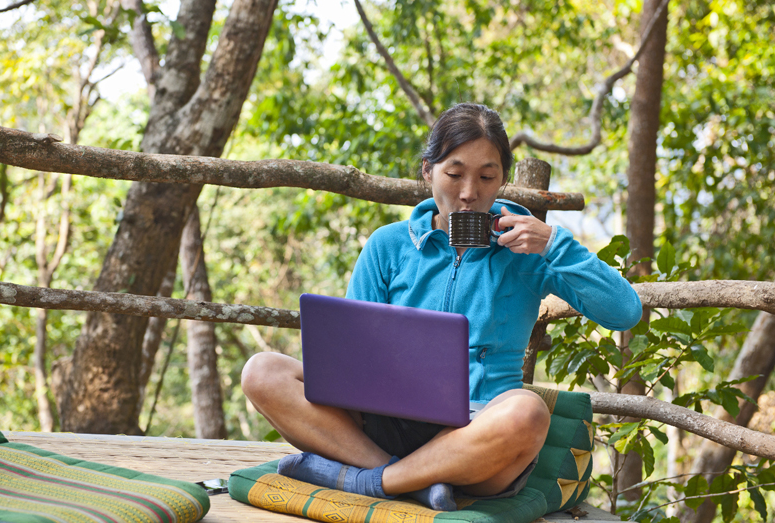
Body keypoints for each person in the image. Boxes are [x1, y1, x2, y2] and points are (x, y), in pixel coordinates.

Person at [240, 103, 643, 511]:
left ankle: (372, 480)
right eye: (454, 174)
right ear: (427, 171)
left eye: (487, 177)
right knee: (262, 371)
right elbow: (353, 360)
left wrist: (554, 243)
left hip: (478, 435)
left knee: (528, 413)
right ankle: (408, 481)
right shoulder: (389, 245)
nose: (469, 193)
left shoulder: (530, 250)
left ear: (502, 178)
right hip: (382, 424)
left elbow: (624, 311)